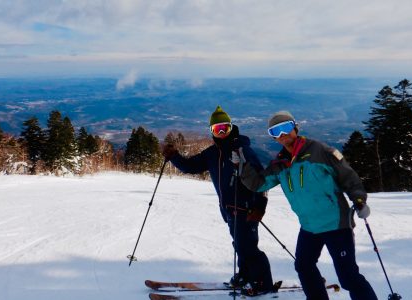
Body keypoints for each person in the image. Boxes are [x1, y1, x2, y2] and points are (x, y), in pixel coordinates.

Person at [238, 111, 378, 300]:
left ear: (295, 127)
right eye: (275, 131)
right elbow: (259, 184)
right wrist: (242, 165)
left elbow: (348, 177)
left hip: (336, 224)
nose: (282, 135)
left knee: (348, 277)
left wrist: (359, 201)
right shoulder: (281, 164)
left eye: (285, 128)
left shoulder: (320, 151)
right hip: (309, 226)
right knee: (303, 266)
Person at [162, 106, 275, 296]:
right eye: (217, 129)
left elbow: (261, 180)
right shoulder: (212, 153)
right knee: (239, 244)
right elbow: (191, 166)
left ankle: (263, 283)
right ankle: (246, 275)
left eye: (225, 128)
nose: (222, 133)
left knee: (248, 247)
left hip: (247, 208)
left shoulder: (243, 151)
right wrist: (174, 157)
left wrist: (260, 207)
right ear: (212, 131)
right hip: (228, 209)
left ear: (232, 128)